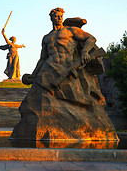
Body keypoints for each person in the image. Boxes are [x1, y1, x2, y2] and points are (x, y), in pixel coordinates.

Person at [10, 7, 118, 142]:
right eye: (56, 16)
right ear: (51, 18)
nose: (59, 18)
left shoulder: (70, 31)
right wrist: (33, 75)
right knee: (32, 100)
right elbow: (43, 58)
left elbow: (90, 38)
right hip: (49, 68)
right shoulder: (46, 38)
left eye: (60, 16)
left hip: (67, 68)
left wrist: (85, 51)